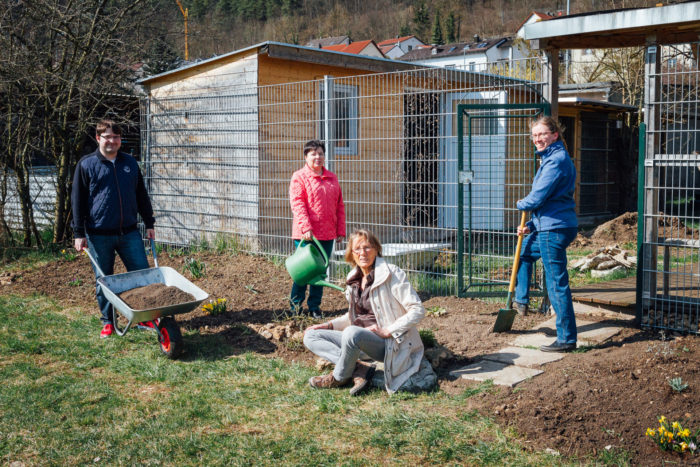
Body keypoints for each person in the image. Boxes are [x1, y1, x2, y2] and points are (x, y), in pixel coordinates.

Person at [303, 230, 426, 395]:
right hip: (356, 339)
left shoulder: (392, 273)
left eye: (367, 247)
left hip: (387, 343)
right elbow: (353, 316)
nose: (363, 253)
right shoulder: (353, 277)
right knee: (310, 336)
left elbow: (417, 309)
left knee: (352, 333)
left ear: (376, 249)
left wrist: (388, 330)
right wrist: (327, 325)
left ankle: (338, 377)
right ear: (351, 254)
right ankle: (360, 369)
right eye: (357, 249)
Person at [72, 119, 156, 338]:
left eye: (116, 137)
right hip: (99, 235)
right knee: (104, 281)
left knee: (142, 275)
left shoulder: (129, 163)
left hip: (129, 232)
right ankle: (108, 322)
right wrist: (78, 233)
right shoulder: (87, 164)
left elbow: (141, 195)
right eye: (107, 136)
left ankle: (144, 319)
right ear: (98, 138)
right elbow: (77, 201)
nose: (112, 141)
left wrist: (149, 223)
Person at [514, 116, 578, 352]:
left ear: (554, 135)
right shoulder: (553, 158)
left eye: (542, 134)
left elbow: (538, 197)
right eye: (534, 135)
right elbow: (553, 199)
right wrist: (531, 224)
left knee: (556, 283)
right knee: (524, 253)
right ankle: (520, 301)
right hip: (551, 223)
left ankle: (566, 338)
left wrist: (522, 203)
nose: (537, 139)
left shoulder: (555, 161)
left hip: (554, 228)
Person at [289, 140, 345, 318]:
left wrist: (340, 230)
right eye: (313, 154)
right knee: (303, 271)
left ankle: (314, 307)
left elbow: (340, 206)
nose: (317, 157)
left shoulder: (332, 178)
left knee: (320, 274)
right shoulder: (299, 177)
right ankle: (295, 307)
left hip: (327, 234)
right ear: (306, 157)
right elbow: (297, 203)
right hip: (307, 235)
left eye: (320, 153)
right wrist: (306, 227)